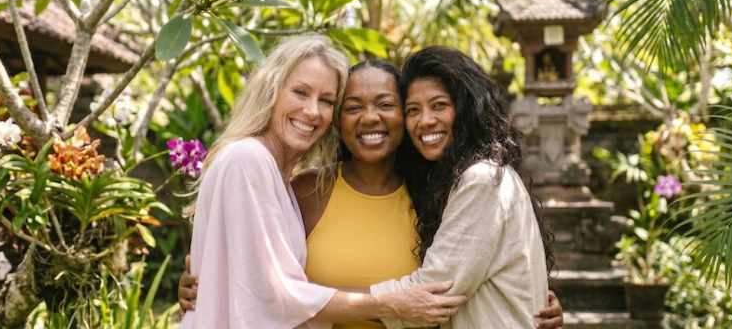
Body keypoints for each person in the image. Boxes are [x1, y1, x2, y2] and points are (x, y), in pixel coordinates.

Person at [178, 57, 564, 328]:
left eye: (387, 104)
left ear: (403, 116)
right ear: (337, 120)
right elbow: (255, 273)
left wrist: (526, 301)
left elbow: (463, 279)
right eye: (351, 106)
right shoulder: (304, 190)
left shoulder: (436, 197)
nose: (370, 117)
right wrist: (204, 284)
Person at [178, 36, 465, 329]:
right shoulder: (251, 159)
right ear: (271, 90)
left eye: (326, 100)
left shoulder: (281, 181)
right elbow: (275, 293)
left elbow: (252, 278)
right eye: (300, 92)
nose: (313, 111)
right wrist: (393, 303)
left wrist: (211, 283)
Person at [371, 46, 553, 328]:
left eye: (439, 105)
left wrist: (327, 304)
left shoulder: (482, 180)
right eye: (413, 110)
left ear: (467, 108)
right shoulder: (453, 180)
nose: (425, 120)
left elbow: (434, 292)